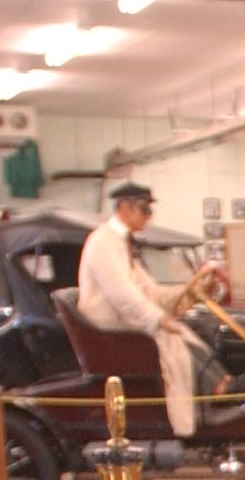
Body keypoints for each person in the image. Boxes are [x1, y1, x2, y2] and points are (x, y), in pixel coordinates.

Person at [78, 181, 217, 440]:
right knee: (173, 340)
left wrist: (189, 290)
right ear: (123, 207)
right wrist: (158, 318)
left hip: (124, 322)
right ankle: (214, 396)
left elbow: (149, 291)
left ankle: (219, 391)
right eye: (144, 210)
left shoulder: (122, 244)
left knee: (189, 332)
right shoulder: (102, 242)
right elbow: (122, 294)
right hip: (111, 328)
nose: (148, 217)